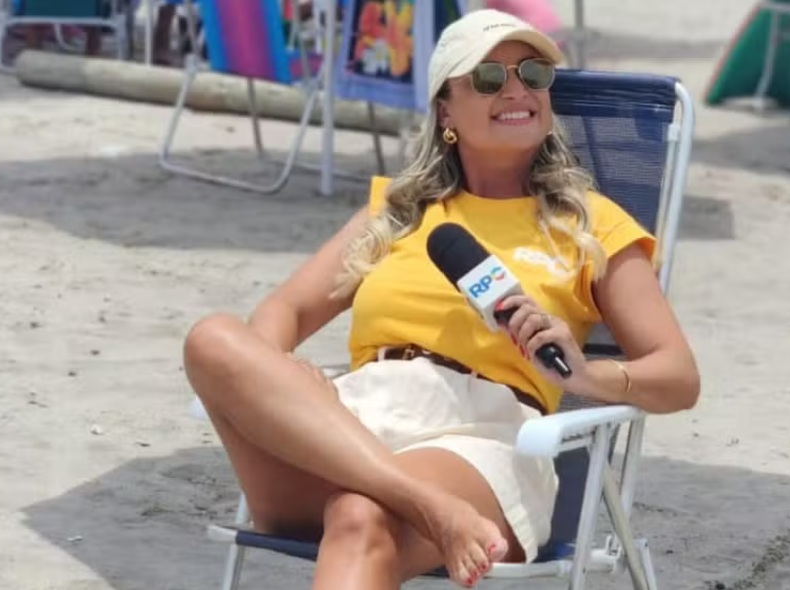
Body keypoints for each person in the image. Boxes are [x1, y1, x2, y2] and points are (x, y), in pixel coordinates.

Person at [183, 8, 700, 590]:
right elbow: (287, 310)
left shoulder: (589, 225)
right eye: (488, 77)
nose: (516, 90)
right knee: (212, 338)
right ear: (445, 110)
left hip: (480, 435)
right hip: (345, 424)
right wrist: (283, 376)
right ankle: (422, 503)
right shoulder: (398, 212)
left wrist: (584, 375)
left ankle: (413, 500)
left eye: (533, 74)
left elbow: (678, 376)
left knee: (360, 515)